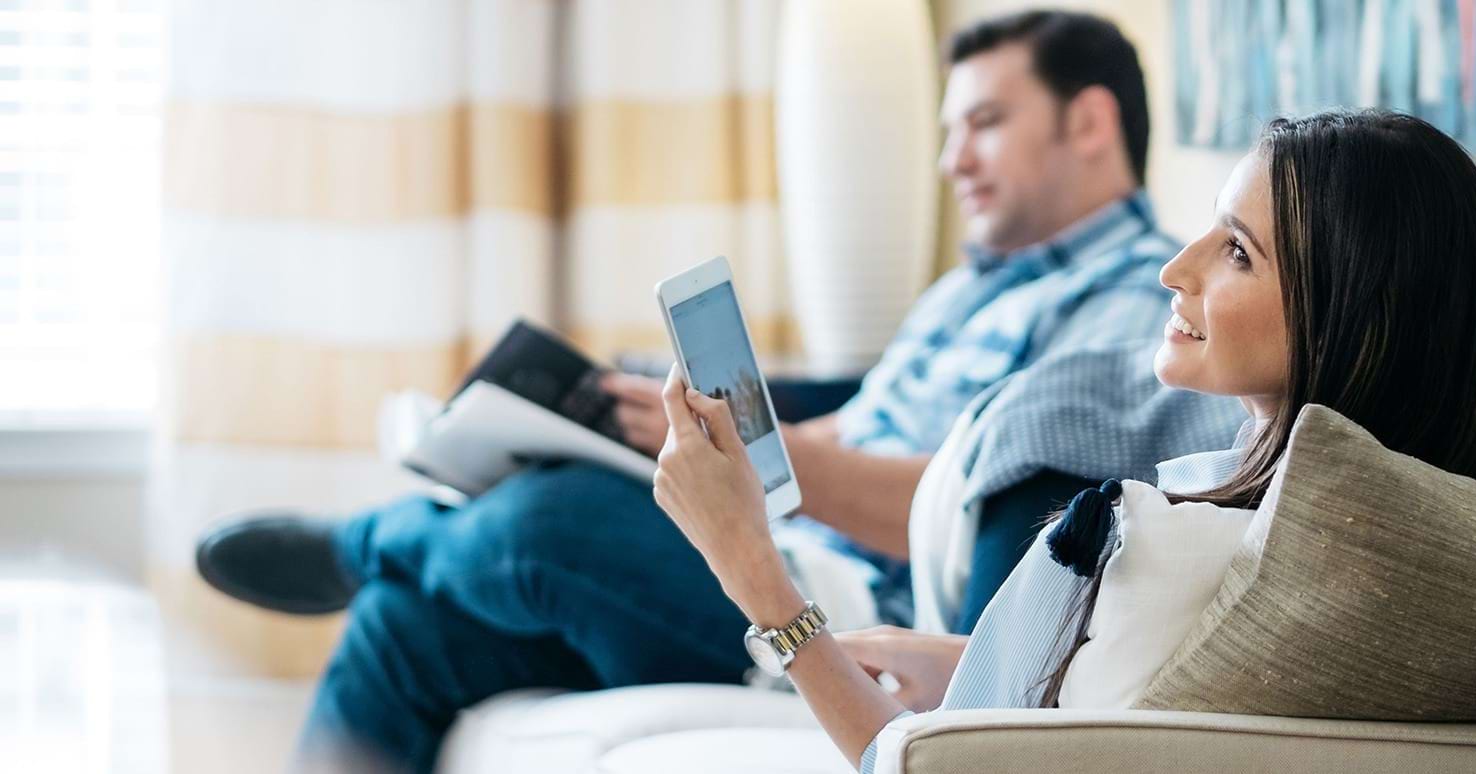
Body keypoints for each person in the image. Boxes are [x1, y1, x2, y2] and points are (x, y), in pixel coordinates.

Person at [192, 11, 1180, 773]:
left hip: (841, 613)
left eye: (985, 123)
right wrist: (680, 430)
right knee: (404, 627)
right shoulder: (977, 281)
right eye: (949, 129)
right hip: (786, 540)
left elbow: (973, 506)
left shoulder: (1130, 306)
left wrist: (767, 462)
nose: (949, 159)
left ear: (1088, 121)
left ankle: (359, 545)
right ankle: (391, 558)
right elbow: (864, 428)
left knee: (550, 524)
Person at [647, 109, 1476, 771]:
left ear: (1353, 323)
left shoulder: (1146, 546)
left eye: (1238, 253)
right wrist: (978, 660)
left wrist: (755, 576)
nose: (1174, 268)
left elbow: (923, 765)